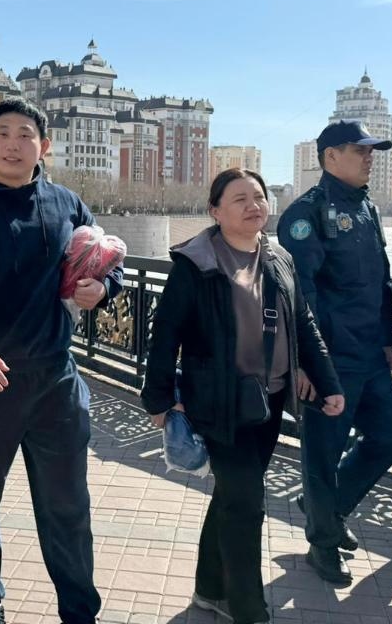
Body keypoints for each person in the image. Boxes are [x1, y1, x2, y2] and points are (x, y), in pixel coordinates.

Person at [0, 97, 123, 624]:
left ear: (44, 145)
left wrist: (102, 288)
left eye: (25, 134)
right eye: (3, 133)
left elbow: (105, 258)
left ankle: (79, 611)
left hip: (56, 379)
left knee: (68, 506)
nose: (13, 144)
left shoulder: (66, 203)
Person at [142, 168, 344, 624]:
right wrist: (159, 400)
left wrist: (327, 382)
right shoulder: (195, 264)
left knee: (233, 497)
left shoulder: (278, 257)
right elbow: (165, 334)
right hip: (217, 401)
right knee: (246, 503)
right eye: (239, 199)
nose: (253, 205)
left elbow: (303, 322)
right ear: (215, 211)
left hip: (268, 400)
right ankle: (248, 609)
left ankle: (209, 589)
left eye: (259, 196)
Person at [278, 120, 392, 585]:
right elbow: (301, 295)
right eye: (360, 150)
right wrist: (311, 361)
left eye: (372, 150)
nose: (370, 157)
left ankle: (326, 510)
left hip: (370, 353)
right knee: (322, 455)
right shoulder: (306, 213)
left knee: (390, 438)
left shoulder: (367, 206)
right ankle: (323, 544)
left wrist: (388, 339)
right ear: (331, 156)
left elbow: (379, 281)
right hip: (331, 358)